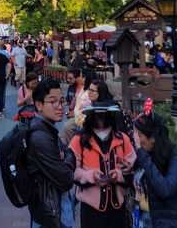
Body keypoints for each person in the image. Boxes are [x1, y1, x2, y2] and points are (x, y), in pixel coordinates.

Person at [69, 103, 136, 227]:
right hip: (90, 210)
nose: (102, 132)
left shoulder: (123, 140)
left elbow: (133, 170)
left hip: (118, 209)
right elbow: (72, 172)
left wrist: (118, 175)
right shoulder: (78, 141)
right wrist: (92, 176)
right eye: (97, 128)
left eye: (105, 128)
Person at [133, 106, 177, 227]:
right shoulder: (149, 157)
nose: (137, 141)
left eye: (139, 135)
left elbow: (165, 189)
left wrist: (141, 154)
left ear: (152, 138)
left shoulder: (176, 161)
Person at [26, 80, 75, 228]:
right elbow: (66, 179)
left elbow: (68, 152)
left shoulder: (47, 129)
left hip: (54, 211)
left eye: (62, 101)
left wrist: (64, 157)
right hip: (50, 215)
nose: (60, 107)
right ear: (39, 105)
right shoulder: (41, 139)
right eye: (53, 102)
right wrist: (66, 161)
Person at [59, 69, 86, 145]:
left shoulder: (83, 89)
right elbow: (68, 100)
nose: (69, 80)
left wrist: (74, 113)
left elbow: (84, 107)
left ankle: (74, 146)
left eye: (71, 78)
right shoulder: (71, 88)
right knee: (61, 137)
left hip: (78, 115)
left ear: (78, 78)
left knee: (67, 126)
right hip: (71, 115)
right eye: (68, 78)